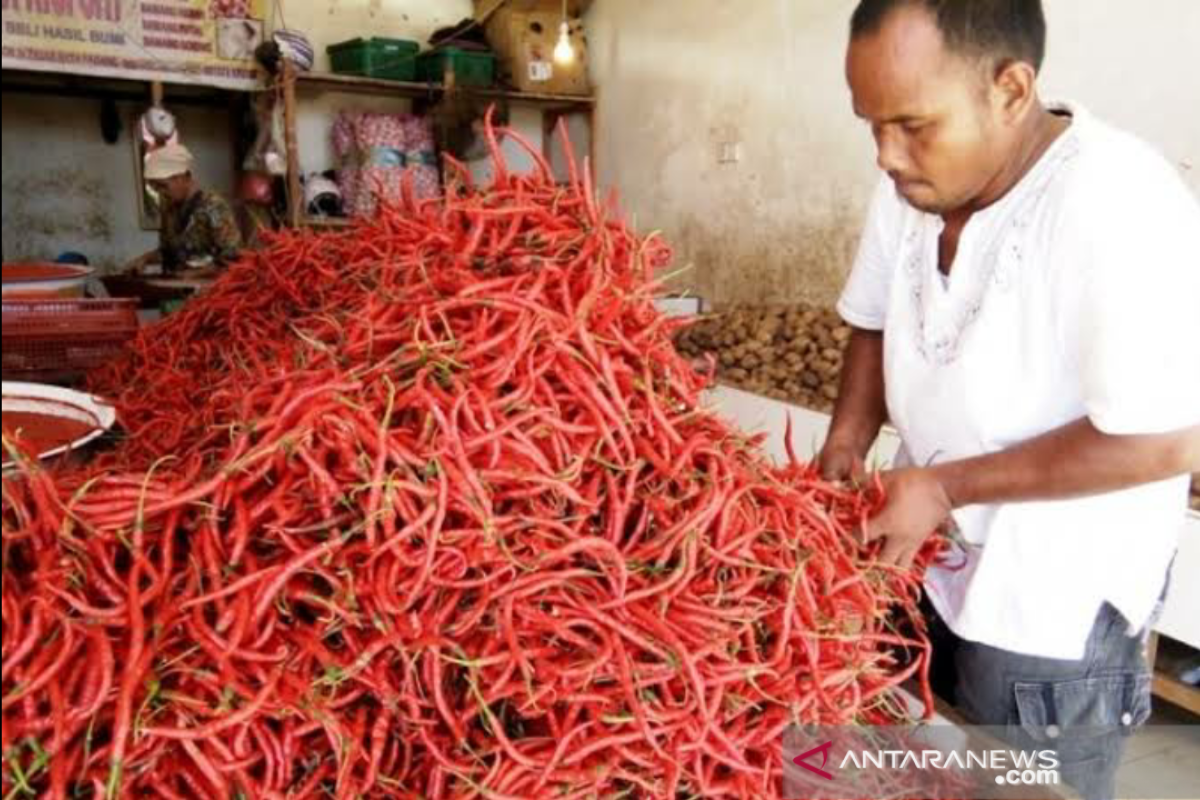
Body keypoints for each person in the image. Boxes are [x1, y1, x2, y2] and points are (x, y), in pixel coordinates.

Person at [821, 2, 1200, 798]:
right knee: (905, 770)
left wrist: (946, 485)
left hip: (1048, 614)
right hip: (925, 569)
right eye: (872, 125)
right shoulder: (910, 186)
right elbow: (871, 319)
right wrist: (847, 446)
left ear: (1011, 88)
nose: (886, 154)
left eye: (913, 124)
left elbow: (1167, 442)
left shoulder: (1118, 201)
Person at [128, 144, 243, 276]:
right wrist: (145, 259)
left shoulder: (214, 206)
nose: (161, 193)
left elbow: (233, 257)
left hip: (213, 289)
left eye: (163, 186)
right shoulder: (169, 209)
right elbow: (170, 252)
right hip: (178, 287)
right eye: (156, 189)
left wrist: (197, 274)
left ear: (184, 177)